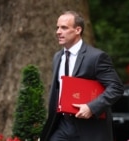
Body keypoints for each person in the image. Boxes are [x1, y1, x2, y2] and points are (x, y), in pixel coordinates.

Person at [40, 10, 124, 141]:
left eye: (64, 28)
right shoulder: (57, 57)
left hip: (89, 128)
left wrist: (91, 107)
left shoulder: (96, 57)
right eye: (57, 27)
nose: (58, 32)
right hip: (62, 125)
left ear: (78, 30)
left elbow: (116, 88)